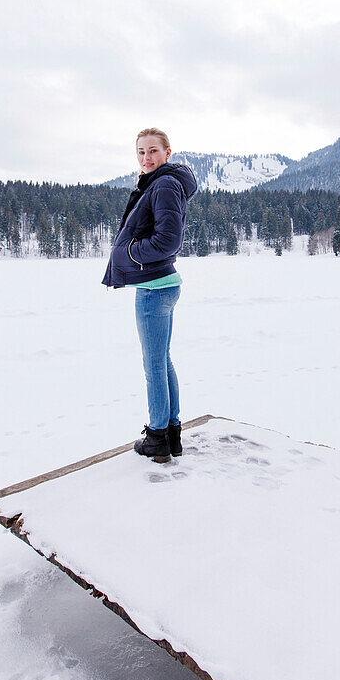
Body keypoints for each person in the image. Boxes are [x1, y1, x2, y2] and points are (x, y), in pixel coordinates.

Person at [103, 128, 197, 463]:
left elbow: (168, 241)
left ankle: (158, 437)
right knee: (162, 359)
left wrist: (130, 251)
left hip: (154, 287)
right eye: (141, 152)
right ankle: (171, 433)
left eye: (153, 151)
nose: (147, 158)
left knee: (153, 363)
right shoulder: (159, 183)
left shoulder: (165, 184)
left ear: (168, 153)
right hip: (161, 284)